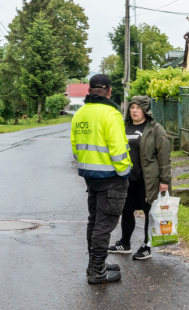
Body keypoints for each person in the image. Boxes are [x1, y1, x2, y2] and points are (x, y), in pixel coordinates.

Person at [70, 74, 132, 284]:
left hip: (90, 177)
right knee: (104, 226)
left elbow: (76, 149)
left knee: (95, 222)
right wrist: (125, 172)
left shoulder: (80, 114)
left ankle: (94, 266)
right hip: (111, 178)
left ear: (89, 90)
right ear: (109, 91)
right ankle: (98, 271)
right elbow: (118, 150)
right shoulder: (111, 114)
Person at [108, 96, 171, 260]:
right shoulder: (124, 127)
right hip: (127, 179)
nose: (134, 111)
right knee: (126, 210)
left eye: (138, 108)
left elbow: (164, 156)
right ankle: (125, 243)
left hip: (148, 179)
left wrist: (164, 180)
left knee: (149, 212)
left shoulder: (155, 129)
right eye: (132, 107)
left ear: (145, 110)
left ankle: (146, 246)